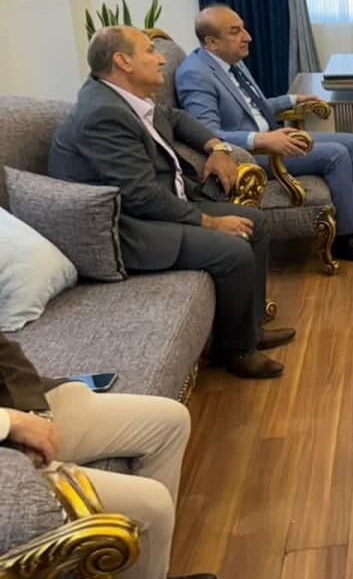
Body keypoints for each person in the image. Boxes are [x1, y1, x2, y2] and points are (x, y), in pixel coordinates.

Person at [49, 27, 291, 379]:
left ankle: (249, 330)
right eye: (150, 51)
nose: (161, 59)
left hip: (160, 206)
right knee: (233, 251)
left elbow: (175, 118)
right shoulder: (103, 114)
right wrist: (210, 222)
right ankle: (235, 351)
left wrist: (217, 146)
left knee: (257, 223)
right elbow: (140, 196)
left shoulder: (127, 97)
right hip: (125, 228)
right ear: (123, 61)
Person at [2, 335, 213, 579]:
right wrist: (10, 424)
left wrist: (33, 415)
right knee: (150, 504)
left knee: (170, 422)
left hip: (17, 407)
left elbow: (5, 352)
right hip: (7, 461)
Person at [174, 5, 353, 263]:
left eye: (244, 28)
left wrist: (292, 99)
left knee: (352, 143)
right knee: (335, 155)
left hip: (271, 136)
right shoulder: (195, 74)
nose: (247, 37)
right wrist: (261, 139)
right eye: (236, 32)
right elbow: (207, 132)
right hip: (251, 154)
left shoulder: (231, 61)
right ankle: (345, 239)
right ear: (211, 42)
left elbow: (252, 107)